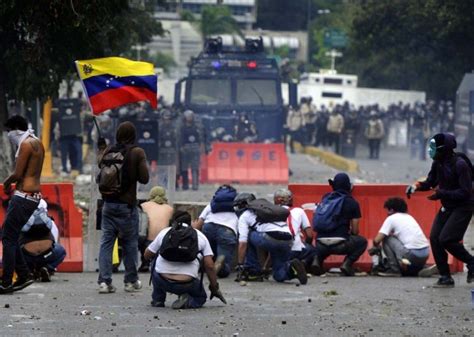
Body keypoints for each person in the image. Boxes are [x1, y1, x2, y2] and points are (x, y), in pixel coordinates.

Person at [406, 133, 474, 287]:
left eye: (434, 147)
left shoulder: (460, 164)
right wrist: (416, 187)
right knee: (435, 238)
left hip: (463, 206)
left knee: (447, 239)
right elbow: (431, 182)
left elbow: (465, 192)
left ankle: (471, 262)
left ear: (444, 149)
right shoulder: (438, 162)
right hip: (448, 206)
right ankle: (445, 277)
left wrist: (441, 193)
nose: (431, 151)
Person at [96, 121, 150, 294]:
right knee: (130, 243)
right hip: (127, 206)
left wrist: (102, 148)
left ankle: (104, 282)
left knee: (106, 244)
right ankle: (130, 281)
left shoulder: (109, 151)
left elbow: (100, 168)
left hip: (107, 205)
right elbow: (144, 178)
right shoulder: (137, 152)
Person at [144, 210, 226, 309]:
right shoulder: (200, 236)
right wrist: (214, 286)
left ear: (173, 221)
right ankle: (188, 302)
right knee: (200, 298)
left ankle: (158, 300)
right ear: (190, 222)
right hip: (187, 283)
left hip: (162, 280)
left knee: (155, 260)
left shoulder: (165, 232)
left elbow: (147, 255)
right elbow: (209, 265)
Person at [1, 115, 44, 294]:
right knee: (11, 235)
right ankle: (24, 274)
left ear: (16, 129)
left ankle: (6, 282)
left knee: (8, 237)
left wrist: (6, 182)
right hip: (32, 196)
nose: (9, 135)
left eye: (9, 131)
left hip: (23, 196)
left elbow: (18, 174)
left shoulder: (25, 145)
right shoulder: (37, 143)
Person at [236, 197, 308, 285]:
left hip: (270, 238)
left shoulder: (245, 215)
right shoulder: (270, 209)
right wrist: (266, 267)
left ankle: (253, 271)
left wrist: (240, 264)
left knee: (249, 235)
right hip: (288, 239)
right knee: (278, 275)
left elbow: (243, 243)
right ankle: (292, 269)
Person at [310, 173, 367, 276]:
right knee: (362, 242)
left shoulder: (326, 198)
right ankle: (347, 264)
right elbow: (355, 231)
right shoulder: (352, 202)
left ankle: (317, 261)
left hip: (319, 244)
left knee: (326, 242)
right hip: (340, 245)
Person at [369, 197, 429, 276]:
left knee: (387, 238)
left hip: (411, 255)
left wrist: (375, 248)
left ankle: (394, 269)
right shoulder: (409, 217)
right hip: (425, 253)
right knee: (401, 241)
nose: (387, 213)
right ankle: (420, 268)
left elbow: (377, 240)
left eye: (388, 210)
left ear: (392, 210)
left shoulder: (391, 218)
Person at [193, 185, 238, 278]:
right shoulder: (237, 206)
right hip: (227, 230)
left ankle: (202, 262)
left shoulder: (212, 205)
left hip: (209, 227)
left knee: (208, 252)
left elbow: (198, 224)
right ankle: (221, 265)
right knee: (224, 270)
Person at [20, 199, 66, 282]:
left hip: (28, 257)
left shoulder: (20, 220)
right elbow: (54, 241)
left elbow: (12, 242)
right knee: (61, 251)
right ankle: (48, 268)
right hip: (46, 255)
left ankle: (29, 271)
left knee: (16, 252)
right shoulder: (49, 221)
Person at [273, 189, 316, 271]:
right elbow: (310, 235)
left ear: (276, 200)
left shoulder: (270, 212)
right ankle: (303, 263)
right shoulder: (299, 211)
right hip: (295, 250)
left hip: (277, 250)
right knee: (313, 251)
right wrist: (306, 245)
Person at [138, 186, 173, 272]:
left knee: (142, 235)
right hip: (163, 242)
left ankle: (145, 262)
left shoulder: (143, 206)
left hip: (147, 243)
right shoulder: (169, 209)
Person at [178, 110, 205, 191]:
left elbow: (201, 138)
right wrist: (181, 147)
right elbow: (180, 138)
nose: (189, 118)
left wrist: (201, 147)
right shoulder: (182, 127)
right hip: (185, 148)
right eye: (188, 116)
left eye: (190, 116)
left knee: (195, 167)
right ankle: (185, 185)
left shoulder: (197, 127)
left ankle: (195, 185)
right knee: (184, 168)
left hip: (195, 148)